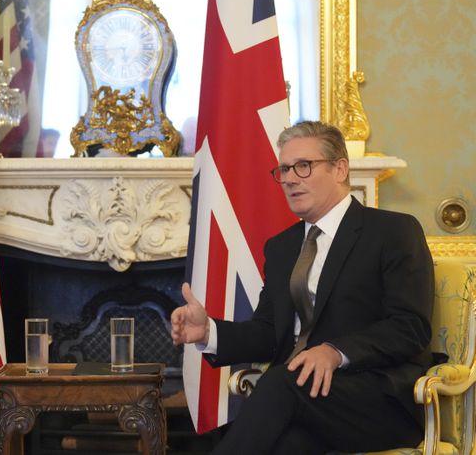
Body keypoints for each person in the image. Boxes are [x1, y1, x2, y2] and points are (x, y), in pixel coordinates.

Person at [171, 121, 433, 454]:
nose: (290, 178)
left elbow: (410, 327)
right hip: (304, 402)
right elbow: (269, 332)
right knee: (289, 444)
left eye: (304, 167)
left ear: (340, 168)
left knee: (280, 380)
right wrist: (208, 332)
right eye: (283, 170)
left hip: (375, 400)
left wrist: (334, 352)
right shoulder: (281, 247)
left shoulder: (392, 232)